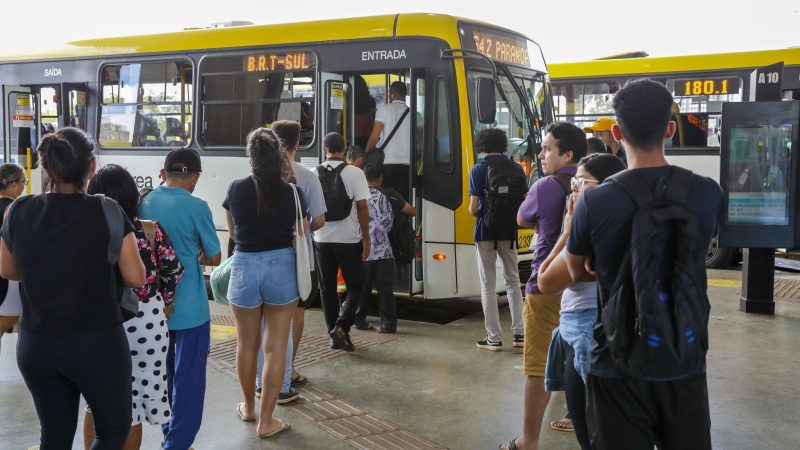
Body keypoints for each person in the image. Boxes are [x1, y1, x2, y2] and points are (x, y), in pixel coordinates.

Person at [566, 78, 722, 449]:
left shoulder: (594, 201)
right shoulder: (706, 192)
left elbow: (574, 272)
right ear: (670, 129)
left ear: (617, 132)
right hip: (683, 354)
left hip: (616, 360)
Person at [0, 128, 146, 449]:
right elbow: (136, 277)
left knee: (54, 434)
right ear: (91, 167)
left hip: (37, 344)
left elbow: (7, 269)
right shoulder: (107, 209)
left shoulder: (19, 210)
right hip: (98, 343)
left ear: (46, 166)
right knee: (112, 431)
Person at [84, 164, 185, 450]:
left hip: (100, 322)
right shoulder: (150, 230)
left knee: (96, 402)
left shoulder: (87, 233)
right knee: (135, 407)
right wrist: (164, 302)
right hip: (146, 323)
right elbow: (173, 271)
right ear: (132, 197)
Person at [502, 122, 587, 450]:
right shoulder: (593, 181)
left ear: (566, 153)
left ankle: (528, 440)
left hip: (547, 283)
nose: (541, 154)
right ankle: (577, 418)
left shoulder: (546, 186)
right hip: (583, 282)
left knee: (537, 364)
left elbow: (523, 218)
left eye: (547, 148)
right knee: (580, 354)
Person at [223, 128, 307, 438]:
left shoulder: (235, 188)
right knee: (274, 349)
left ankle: (248, 406)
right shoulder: (292, 192)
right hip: (281, 267)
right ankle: (267, 421)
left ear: (251, 157)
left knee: (246, 346)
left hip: (245, 265)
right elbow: (301, 230)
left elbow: (233, 233)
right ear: (279, 157)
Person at [538, 153, 625, 450]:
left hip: (588, 332)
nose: (573, 189)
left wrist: (566, 230)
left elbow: (545, 281)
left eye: (581, 183)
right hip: (580, 331)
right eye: (573, 182)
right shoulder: (618, 225)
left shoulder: (592, 234)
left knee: (598, 434)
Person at [139, 147, 221, 449]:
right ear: (195, 177)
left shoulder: (143, 202)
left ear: (163, 174)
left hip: (153, 308)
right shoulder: (198, 207)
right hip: (191, 309)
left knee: (163, 373)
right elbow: (213, 255)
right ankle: (177, 443)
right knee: (189, 379)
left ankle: (168, 434)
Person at [254, 120, 326, 403]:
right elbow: (318, 220)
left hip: (258, 256)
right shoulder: (306, 177)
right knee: (294, 312)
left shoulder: (255, 175)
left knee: (262, 320)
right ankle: (288, 371)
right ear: (297, 144)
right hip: (296, 257)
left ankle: (261, 382)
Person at [468, 128, 525, 351]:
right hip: (510, 233)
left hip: (485, 232)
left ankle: (494, 338)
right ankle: (519, 335)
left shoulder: (479, 169)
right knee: (513, 282)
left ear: (482, 146)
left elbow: (473, 209)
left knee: (488, 285)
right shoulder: (516, 168)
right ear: (503, 145)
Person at [314, 132, 371, 352]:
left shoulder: (312, 173)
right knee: (356, 285)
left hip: (321, 239)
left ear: (324, 150)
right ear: (345, 149)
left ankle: (334, 333)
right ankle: (341, 326)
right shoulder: (355, 173)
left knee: (327, 289)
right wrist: (366, 239)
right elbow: (363, 207)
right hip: (348, 240)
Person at [353, 163, 416, 333]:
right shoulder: (391, 194)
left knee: (361, 290)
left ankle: (358, 321)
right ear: (380, 178)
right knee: (385, 291)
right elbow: (412, 211)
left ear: (364, 178)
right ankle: (388, 324)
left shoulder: (357, 196)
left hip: (362, 252)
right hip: (385, 252)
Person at [365, 81, 411, 197]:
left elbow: (375, 137)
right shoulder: (413, 113)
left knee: (387, 198)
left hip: (388, 163)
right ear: (405, 95)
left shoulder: (384, 109)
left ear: (391, 94)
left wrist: (365, 153)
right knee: (402, 200)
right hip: (408, 164)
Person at [0, 163, 26, 352]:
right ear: (14, 184)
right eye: (23, 182)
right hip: (8, 277)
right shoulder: (12, 209)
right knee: (9, 318)